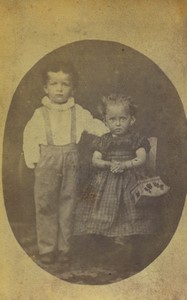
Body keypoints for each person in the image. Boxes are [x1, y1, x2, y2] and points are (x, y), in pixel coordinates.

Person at [23, 61, 108, 264]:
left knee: (68, 204)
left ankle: (64, 248)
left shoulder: (78, 111)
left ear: (73, 88)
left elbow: (93, 125)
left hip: (71, 161)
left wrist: (108, 131)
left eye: (65, 84)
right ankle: (47, 248)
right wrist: (32, 158)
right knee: (45, 204)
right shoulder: (39, 113)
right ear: (45, 87)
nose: (59, 89)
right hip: (47, 162)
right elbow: (29, 136)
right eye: (54, 84)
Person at [74, 93, 162, 270]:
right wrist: (109, 164)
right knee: (98, 208)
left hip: (130, 178)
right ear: (105, 121)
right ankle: (105, 248)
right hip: (106, 179)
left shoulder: (135, 139)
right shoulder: (104, 140)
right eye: (113, 119)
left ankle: (127, 247)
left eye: (123, 118)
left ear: (132, 119)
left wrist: (125, 165)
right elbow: (95, 160)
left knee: (128, 211)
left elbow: (141, 158)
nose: (118, 123)